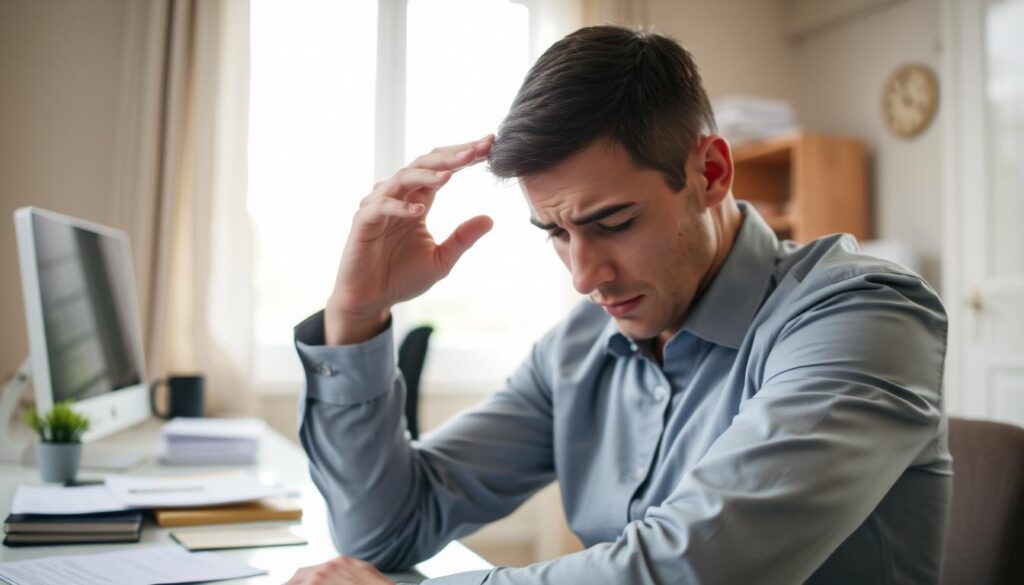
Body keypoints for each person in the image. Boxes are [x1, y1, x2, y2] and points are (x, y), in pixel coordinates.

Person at [286, 26, 950, 585]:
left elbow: (693, 566)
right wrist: (355, 313)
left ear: (711, 174)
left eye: (614, 221)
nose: (584, 276)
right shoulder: (578, 347)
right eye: (555, 232)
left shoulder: (865, 316)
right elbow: (386, 528)